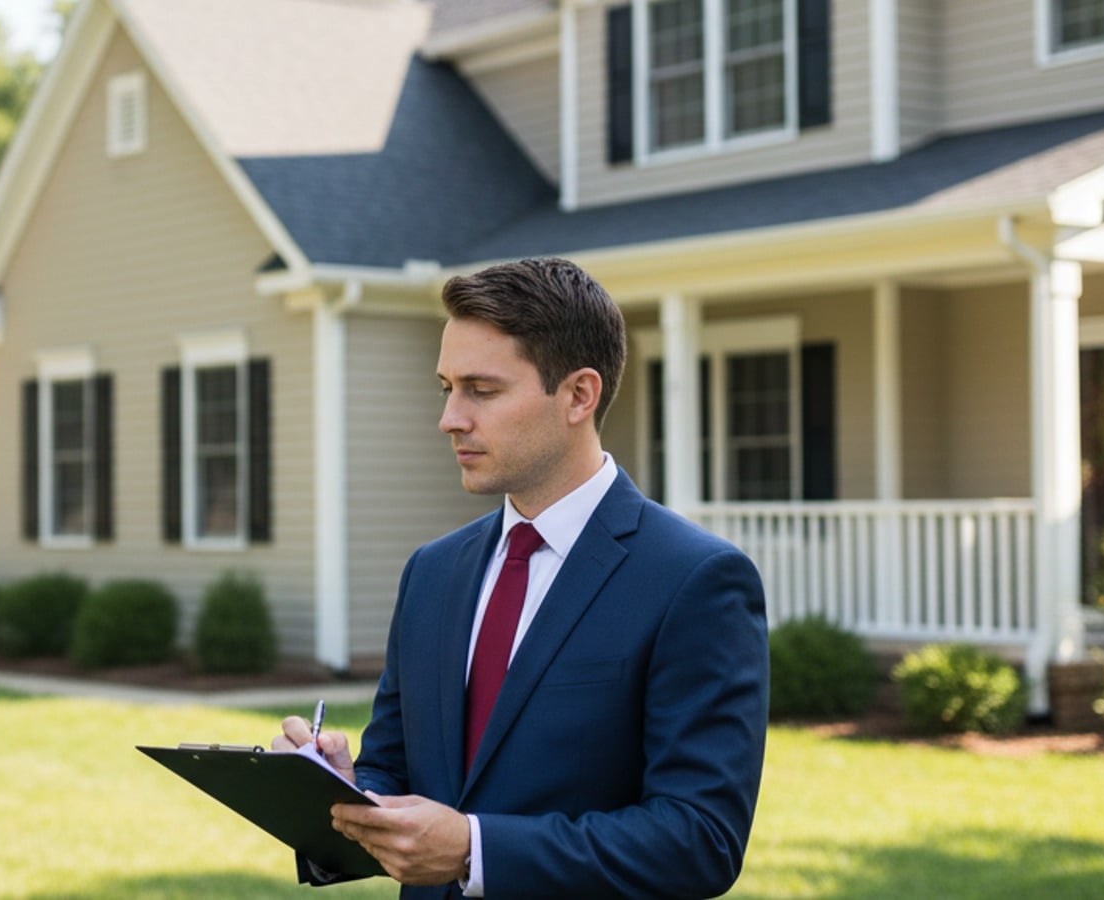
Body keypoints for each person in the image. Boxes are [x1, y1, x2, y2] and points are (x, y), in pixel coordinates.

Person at [274, 257, 769, 898]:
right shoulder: (432, 573)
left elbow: (700, 838)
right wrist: (338, 792)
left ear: (578, 395)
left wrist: (475, 850)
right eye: (446, 388)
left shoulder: (695, 580)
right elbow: (399, 777)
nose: (451, 418)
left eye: (481, 390)